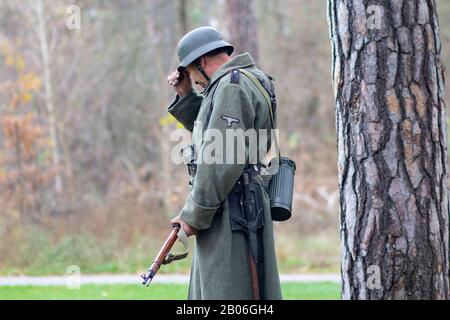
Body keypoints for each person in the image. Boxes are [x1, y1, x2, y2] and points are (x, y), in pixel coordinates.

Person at [167, 26, 282, 300]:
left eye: (192, 75)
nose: (195, 82)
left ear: (201, 62)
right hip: (240, 205)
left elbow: (220, 159)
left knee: (226, 292)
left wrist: (193, 215)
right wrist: (186, 97)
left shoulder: (231, 86)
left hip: (232, 211)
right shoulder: (248, 79)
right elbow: (213, 130)